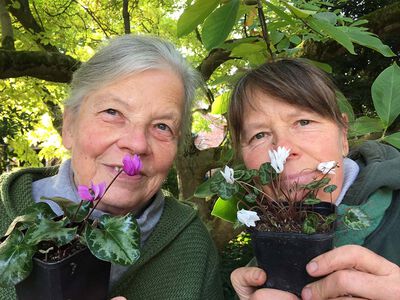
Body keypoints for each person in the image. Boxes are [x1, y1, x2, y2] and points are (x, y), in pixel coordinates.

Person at [0, 35, 223, 299]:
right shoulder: (7, 213)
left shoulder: (192, 246)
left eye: (162, 126)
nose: (137, 144)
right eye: (113, 113)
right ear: (69, 125)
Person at [227, 59, 400, 299]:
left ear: (343, 136)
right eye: (260, 135)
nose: (284, 150)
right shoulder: (264, 264)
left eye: (304, 122)